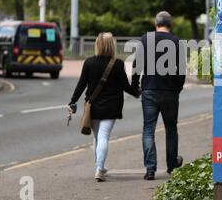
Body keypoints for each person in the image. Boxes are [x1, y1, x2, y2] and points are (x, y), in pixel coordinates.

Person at [68, 32, 139, 182]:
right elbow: (126, 87)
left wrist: (72, 102)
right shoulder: (118, 64)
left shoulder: (89, 63)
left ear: (97, 46)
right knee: (103, 137)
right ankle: (100, 168)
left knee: (97, 137)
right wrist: (137, 91)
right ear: (111, 46)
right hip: (111, 107)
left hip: (93, 107)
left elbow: (81, 85)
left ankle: (99, 167)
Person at [131, 11, 186, 180]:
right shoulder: (177, 42)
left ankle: (150, 169)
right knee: (171, 129)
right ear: (170, 25)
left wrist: (135, 87)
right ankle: (171, 165)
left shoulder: (145, 39)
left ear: (156, 24)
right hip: (170, 91)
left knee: (148, 130)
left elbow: (136, 65)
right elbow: (182, 71)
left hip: (149, 90)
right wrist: (177, 88)